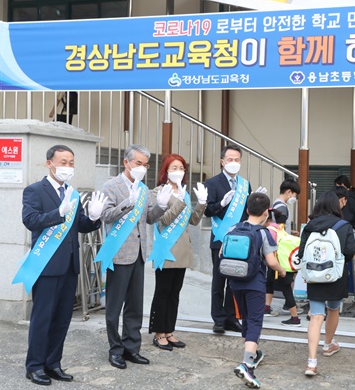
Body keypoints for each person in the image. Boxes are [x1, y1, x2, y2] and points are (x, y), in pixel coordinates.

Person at [20, 145, 105, 385]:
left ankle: (53, 363)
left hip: (69, 265)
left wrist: (94, 218)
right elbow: (30, 221)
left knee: (62, 318)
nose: (68, 167)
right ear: (49, 163)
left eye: (71, 163)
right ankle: (35, 365)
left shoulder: (73, 193)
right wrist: (58, 213)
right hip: (46, 265)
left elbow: (79, 225)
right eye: (63, 162)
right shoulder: (34, 190)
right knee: (43, 317)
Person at [98, 144, 172, 369]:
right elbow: (105, 215)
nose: (142, 167)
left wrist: (160, 206)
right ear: (126, 162)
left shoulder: (143, 189)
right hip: (119, 253)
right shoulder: (111, 185)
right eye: (138, 163)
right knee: (114, 306)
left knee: (135, 306)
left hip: (139, 253)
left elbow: (149, 218)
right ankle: (115, 349)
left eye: (145, 164)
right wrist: (126, 204)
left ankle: (132, 347)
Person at [148, 154, 207, 351]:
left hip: (182, 251)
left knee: (175, 293)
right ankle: (158, 333)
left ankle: (169, 331)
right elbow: (163, 220)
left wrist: (201, 203)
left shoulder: (184, 192)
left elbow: (193, 220)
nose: (178, 172)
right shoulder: (157, 192)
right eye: (174, 168)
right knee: (163, 292)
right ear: (165, 171)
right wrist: (180, 202)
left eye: (181, 168)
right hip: (166, 250)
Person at [229, 193, 287, 388]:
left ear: (246, 210)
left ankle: (253, 355)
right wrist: (282, 270)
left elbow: (222, 253)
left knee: (246, 318)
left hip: (235, 281)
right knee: (255, 321)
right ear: (265, 213)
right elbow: (271, 262)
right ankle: (246, 365)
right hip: (254, 282)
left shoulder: (233, 228)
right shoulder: (263, 233)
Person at [298, 190, 355, 376]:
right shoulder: (344, 225)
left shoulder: (310, 226)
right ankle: (328, 345)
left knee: (316, 316)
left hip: (314, 276)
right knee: (333, 309)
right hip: (335, 275)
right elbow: (349, 251)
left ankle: (311, 363)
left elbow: (301, 254)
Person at [204, 144, 258, 334]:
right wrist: (221, 204)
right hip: (220, 239)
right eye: (230, 160)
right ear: (222, 161)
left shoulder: (245, 184)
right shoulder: (212, 183)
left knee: (234, 280)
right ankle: (218, 319)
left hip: (239, 241)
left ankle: (231, 317)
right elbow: (207, 210)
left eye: (237, 160)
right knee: (219, 281)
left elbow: (247, 212)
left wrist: (257, 203)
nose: (233, 163)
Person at [264, 208, 301, 326]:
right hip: (285, 263)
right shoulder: (279, 229)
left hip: (279, 264)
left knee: (286, 290)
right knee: (271, 283)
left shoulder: (270, 230)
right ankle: (267, 307)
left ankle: (295, 318)